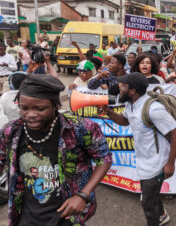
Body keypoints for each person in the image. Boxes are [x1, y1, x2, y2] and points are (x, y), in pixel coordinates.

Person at [0, 74, 112, 225]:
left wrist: (83, 195)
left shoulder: (81, 128)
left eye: (40, 109)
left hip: (68, 216)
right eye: (24, 108)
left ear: (56, 106)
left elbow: (104, 159)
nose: (30, 115)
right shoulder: (11, 130)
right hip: (26, 215)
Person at [102, 72, 176, 226]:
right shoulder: (131, 104)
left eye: (123, 86)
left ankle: (155, 220)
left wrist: (170, 163)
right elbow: (125, 121)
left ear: (132, 90)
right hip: (144, 160)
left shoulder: (154, 109)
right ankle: (163, 214)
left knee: (147, 203)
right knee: (151, 194)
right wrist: (109, 113)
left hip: (156, 164)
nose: (119, 88)